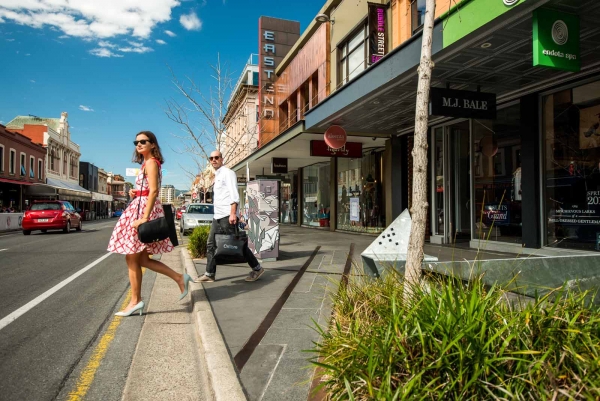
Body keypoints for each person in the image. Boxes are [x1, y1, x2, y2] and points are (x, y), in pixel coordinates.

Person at [107, 131, 192, 316]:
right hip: (141, 205)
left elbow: (154, 191)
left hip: (144, 210)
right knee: (142, 259)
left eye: (143, 141)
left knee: (131, 257)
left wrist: (144, 218)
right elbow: (147, 190)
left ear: (153, 144)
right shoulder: (146, 163)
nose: (138, 144)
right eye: (136, 142)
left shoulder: (152, 163)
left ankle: (136, 301)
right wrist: (135, 193)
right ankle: (179, 278)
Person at [195, 150, 264, 283]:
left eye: (216, 157)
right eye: (211, 158)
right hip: (218, 216)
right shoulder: (217, 175)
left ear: (222, 159)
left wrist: (233, 213)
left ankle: (257, 268)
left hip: (228, 216)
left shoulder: (228, 173)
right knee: (211, 244)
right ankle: (209, 274)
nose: (214, 160)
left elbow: (234, 195)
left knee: (237, 244)